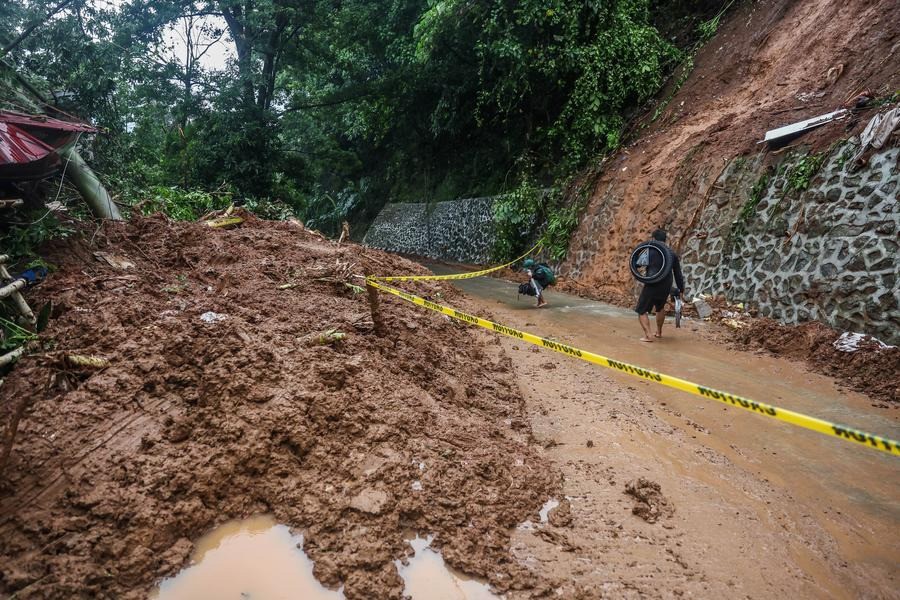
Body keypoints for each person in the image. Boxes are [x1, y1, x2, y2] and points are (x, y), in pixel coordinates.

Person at [635, 229, 684, 342]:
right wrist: (681, 289)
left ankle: (648, 335)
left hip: (652, 282)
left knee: (641, 310)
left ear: (653, 239)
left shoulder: (650, 250)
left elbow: (637, 263)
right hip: (666, 284)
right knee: (660, 307)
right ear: (665, 240)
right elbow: (678, 274)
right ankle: (659, 332)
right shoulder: (672, 253)